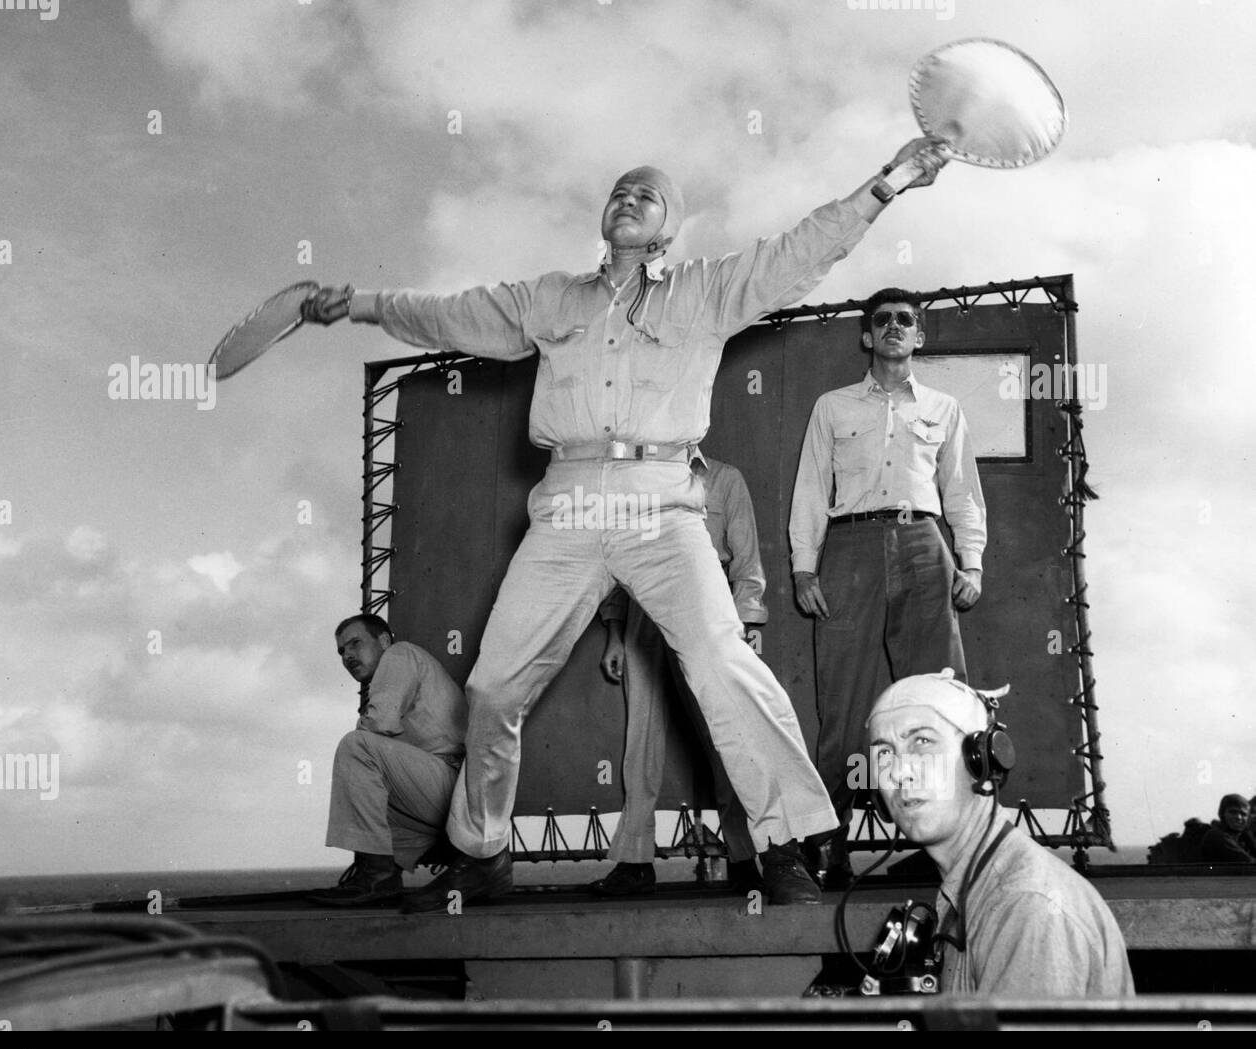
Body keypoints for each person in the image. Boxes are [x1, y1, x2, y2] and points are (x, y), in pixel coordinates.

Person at [302, 139, 951, 911]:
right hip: (569, 502)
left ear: (669, 225)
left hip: (662, 500)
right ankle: (482, 852)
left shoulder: (706, 292)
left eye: (645, 193)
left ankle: (784, 843)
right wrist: (365, 305)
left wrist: (892, 181)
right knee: (492, 685)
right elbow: (453, 315)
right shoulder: (552, 299)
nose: (628, 198)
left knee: (720, 660)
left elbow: (802, 250)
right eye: (618, 191)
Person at [789, 288, 986, 888]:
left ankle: (951, 844)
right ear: (867, 337)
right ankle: (827, 845)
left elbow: (961, 490)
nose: (896, 328)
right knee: (842, 703)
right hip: (849, 547)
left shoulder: (944, 407)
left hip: (924, 545)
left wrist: (970, 562)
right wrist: (804, 565)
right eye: (884, 321)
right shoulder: (833, 407)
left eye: (907, 320)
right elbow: (809, 489)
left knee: (939, 699)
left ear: (918, 337)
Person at [866, 670, 1134, 997]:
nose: (898, 771)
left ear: (982, 761)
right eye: (884, 753)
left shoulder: (1026, 907)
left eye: (922, 741)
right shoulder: (971, 888)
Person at [590, 455, 764, 896]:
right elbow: (614, 559)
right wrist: (614, 632)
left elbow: (746, 560)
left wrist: (741, 632)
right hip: (642, 611)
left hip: (705, 611)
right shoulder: (634, 479)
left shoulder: (726, 479)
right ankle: (634, 860)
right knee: (640, 741)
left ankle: (745, 855)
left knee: (723, 736)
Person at [308, 614, 467, 907]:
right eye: (342, 651)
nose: (348, 656)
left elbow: (379, 723)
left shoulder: (398, 654)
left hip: (451, 785)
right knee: (367, 776)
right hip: (438, 799)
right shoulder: (392, 674)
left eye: (355, 643)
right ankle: (378, 877)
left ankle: (377, 877)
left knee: (356, 747)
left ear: (383, 640)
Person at [1200, 794, 1256, 864]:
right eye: (1233, 812)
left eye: (1243, 814)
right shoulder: (1216, 836)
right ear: (1222, 814)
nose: (1238, 817)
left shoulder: (1241, 837)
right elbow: (1248, 862)